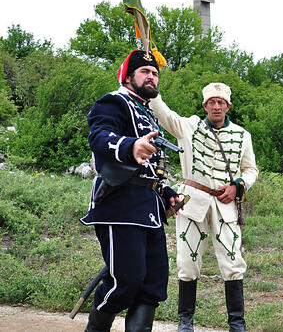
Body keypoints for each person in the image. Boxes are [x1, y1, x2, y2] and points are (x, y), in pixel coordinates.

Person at [80, 49, 181, 332]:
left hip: (149, 208)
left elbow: (152, 169)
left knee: (153, 284)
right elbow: (100, 136)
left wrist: (165, 191)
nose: (151, 77)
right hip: (119, 205)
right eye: (145, 72)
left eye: (155, 73)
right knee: (126, 282)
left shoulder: (149, 114)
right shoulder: (114, 102)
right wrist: (129, 146)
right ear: (128, 76)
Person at [150, 82, 258, 332]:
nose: (216, 106)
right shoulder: (189, 126)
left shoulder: (243, 135)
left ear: (228, 106)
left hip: (225, 205)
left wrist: (238, 186)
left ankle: (237, 323)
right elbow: (163, 112)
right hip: (192, 201)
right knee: (187, 263)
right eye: (212, 102)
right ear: (205, 106)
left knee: (233, 264)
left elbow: (251, 169)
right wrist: (152, 84)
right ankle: (185, 322)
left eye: (221, 102)